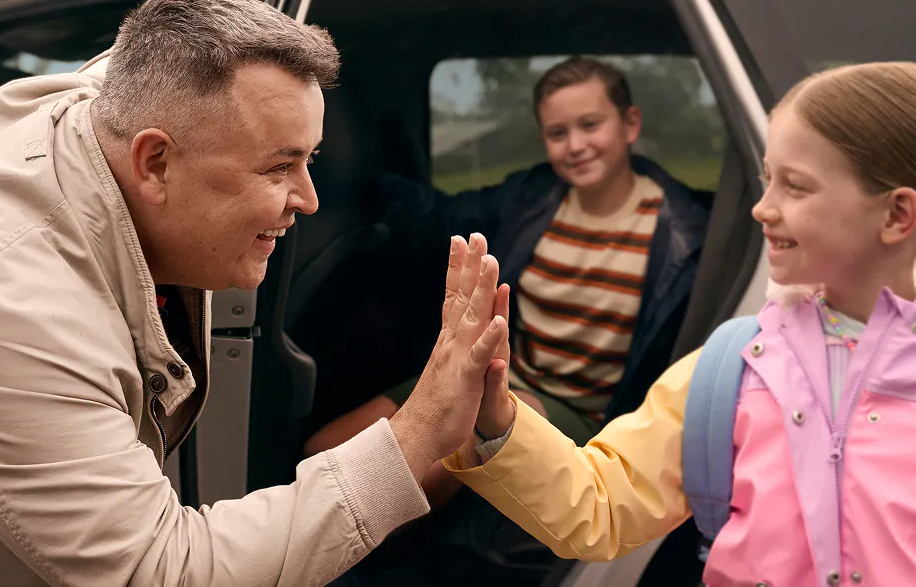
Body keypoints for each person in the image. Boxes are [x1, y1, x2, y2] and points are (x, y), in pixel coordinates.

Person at [0, 0, 510, 585]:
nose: (307, 199)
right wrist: (418, 434)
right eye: (279, 167)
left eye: (311, 161)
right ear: (155, 162)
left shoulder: (123, 102)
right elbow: (160, 572)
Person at [448, 61, 916, 584]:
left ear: (897, 215)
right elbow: (600, 506)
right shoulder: (734, 370)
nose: (761, 208)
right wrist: (497, 418)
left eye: (796, 188)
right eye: (766, 180)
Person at [305, 56, 713, 508]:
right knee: (323, 450)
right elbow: (441, 218)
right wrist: (354, 178)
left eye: (590, 125)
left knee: (406, 480)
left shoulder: (684, 235)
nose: (576, 145)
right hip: (491, 374)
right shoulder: (532, 198)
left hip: (575, 410)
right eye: (558, 133)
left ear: (629, 124)